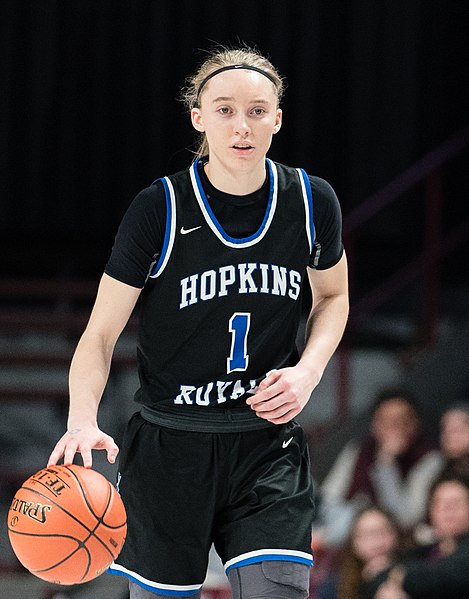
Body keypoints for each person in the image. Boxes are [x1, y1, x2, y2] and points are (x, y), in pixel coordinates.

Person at [47, 45, 349, 599]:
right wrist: (81, 420)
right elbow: (99, 336)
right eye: (226, 109)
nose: (242, 125)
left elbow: (333, 297)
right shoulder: (159, 208)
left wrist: (308, 372)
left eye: (258, 110)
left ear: (277, 119)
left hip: (265, 444)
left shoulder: (311, 201)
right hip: (170, 448)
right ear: (199, 117)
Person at [319, 388, 443, 546]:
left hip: (405, 548)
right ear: (374, 425)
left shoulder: (429, 458)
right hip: (354, 543)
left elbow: (406, 519)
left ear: (414, 423)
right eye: (386, 421)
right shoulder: (359, 450)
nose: (394, 428)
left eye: (401, 421)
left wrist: (386, 464)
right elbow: (328, 499)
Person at [374, 471, 469, 599]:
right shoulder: (421, 552)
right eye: (439, 503)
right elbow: (376, 578)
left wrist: (400, 576)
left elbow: (443, 577)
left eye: (455, 503)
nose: (447, 509)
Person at [317, 506, 405, 599]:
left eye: (383, 532)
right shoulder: (336, 584)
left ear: (395, 534)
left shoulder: (413, 573)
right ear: (353, 542)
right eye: (367, 535)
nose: (377, 542)